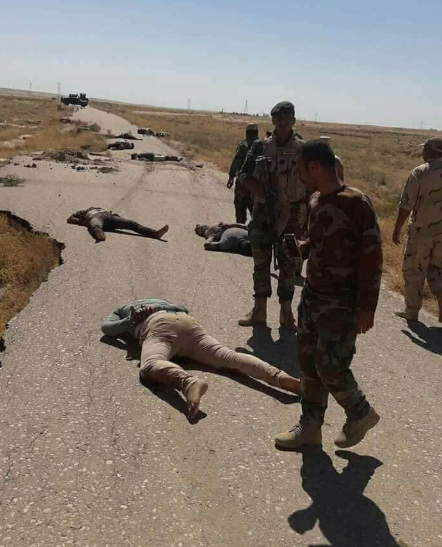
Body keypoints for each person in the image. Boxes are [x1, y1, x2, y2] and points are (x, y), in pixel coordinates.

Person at [275, 140, 382, 450]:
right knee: (308, 363)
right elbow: (315, 240)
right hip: (312, 297)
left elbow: (372, 257)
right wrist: (300, 248)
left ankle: (360, 413)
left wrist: (366, 307)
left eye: (300, 170)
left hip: (342, 303)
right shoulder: (315, 200)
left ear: (314, 167)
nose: (299, 176)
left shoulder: (357, 203)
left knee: (330, 366)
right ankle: (310, 428)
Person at [101, 298, 300, 419]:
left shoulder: (123, 308)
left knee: (150, 365)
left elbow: (107, 329)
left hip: (159, 325)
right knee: (229, 356)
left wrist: (130, 320)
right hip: (186, 322)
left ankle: (188, 382)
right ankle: (278, 376)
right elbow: (184, 309)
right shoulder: (162, 301)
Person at [237, 101, 305, 331]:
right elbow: (242, 174)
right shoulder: (260, 146)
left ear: (294, 121)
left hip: (292, 217)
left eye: (287, 118)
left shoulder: (303, 150)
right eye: (279, 118)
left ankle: (286, 313)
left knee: (288, 266)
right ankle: (259, 310)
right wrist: (257, 188)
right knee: (261, 262)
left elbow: (313, 182)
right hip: (263, 213)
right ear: (273, 121)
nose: (283, 122)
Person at [393, 136, 442, 322]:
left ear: (430, 151)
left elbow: (406, 204)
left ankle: (411, 311)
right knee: (437, 270)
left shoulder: (420, 172)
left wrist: (397, 228)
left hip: (421, 233)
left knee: (414, 270)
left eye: (424, 149)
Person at [67, 207, 168, 242]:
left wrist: (119, 219)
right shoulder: (84, 211)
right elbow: (70, 219)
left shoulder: (104, 210)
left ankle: (155, 234)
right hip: (96, 218)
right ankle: (99, 235)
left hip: (110, 218)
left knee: (132, 223)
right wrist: (84, 222)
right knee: (95, 225)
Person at [227, 123, 259, 223]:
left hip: (242, 184)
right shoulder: (262, 145)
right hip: (255, 185)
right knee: (256, 214)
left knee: (240, 213)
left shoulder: (243, 146)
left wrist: (231, 177)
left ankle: (240, 231)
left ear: (246, 133)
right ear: (257, 132)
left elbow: (236, 162)